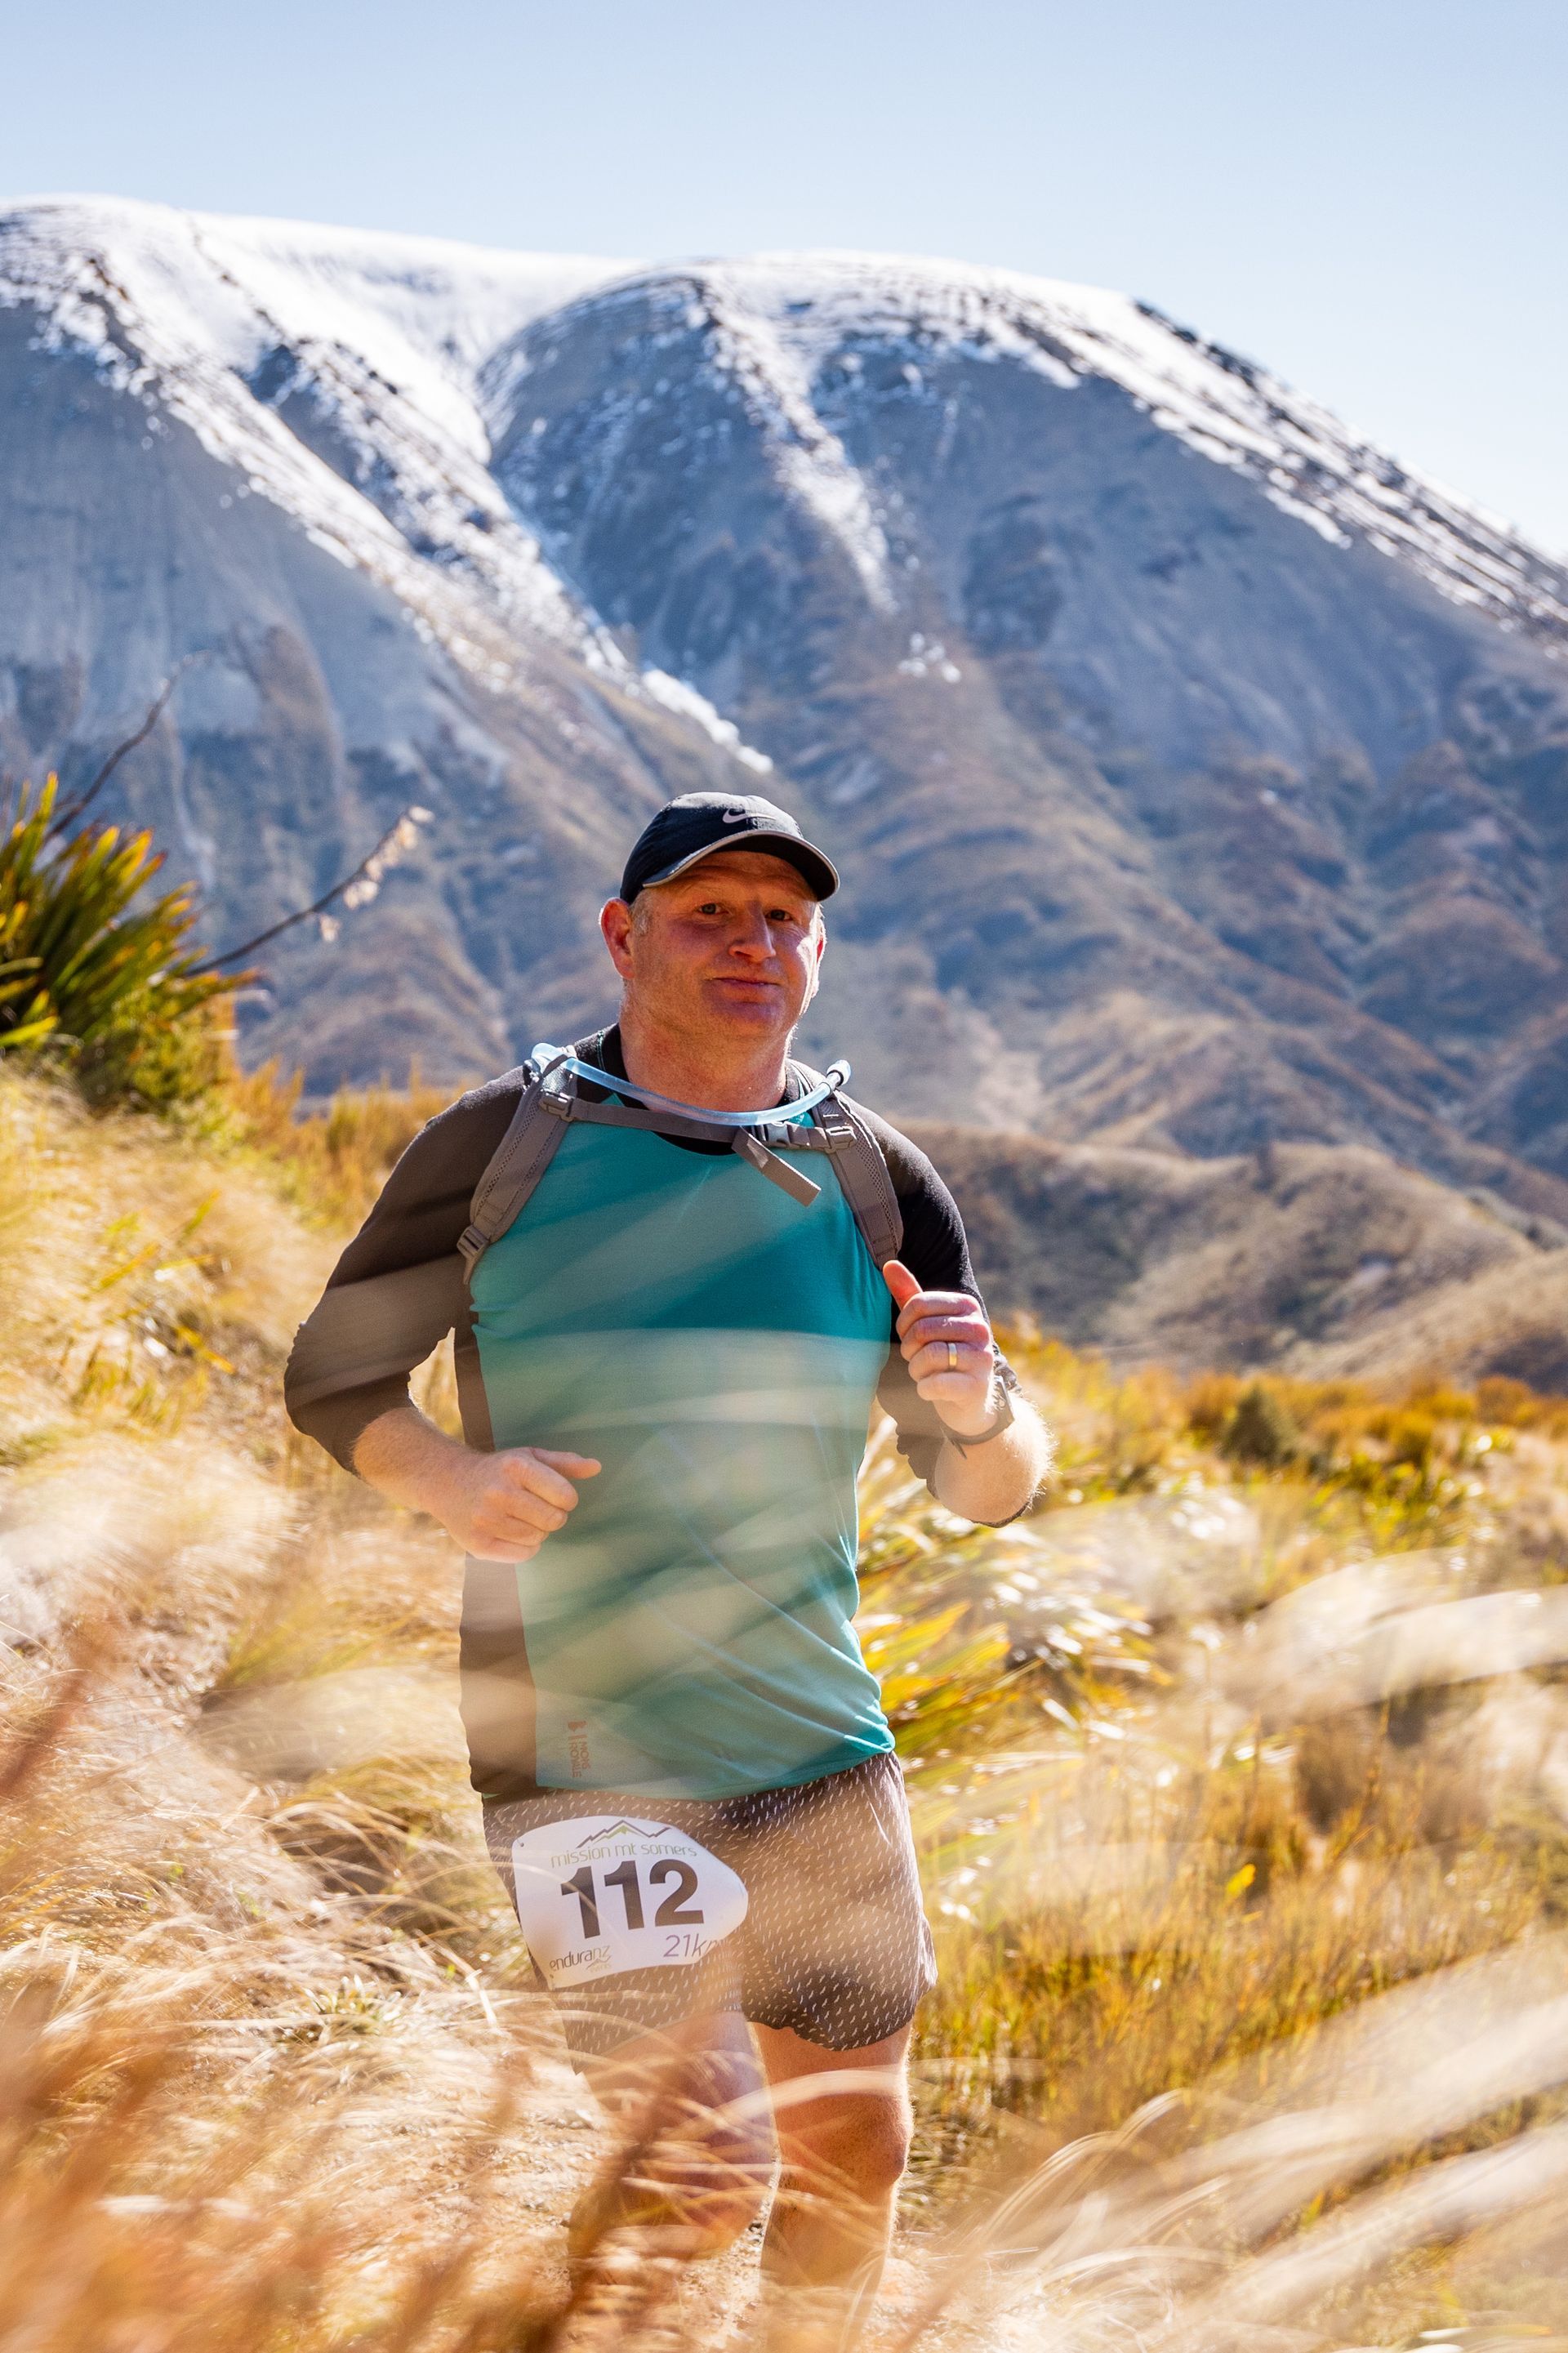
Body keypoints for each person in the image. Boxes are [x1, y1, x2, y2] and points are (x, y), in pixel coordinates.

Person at [285, 791, 1054, 2347]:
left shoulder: (877, 1179)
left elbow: (989, 1490)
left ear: (819, 951)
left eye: (781, 917)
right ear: (624, 936)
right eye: (709, 912)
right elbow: (331, 1376)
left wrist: (984, 1406)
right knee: (702, 2161)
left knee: (856, 2150)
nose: (751, 942)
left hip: (817, 1738)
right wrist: (452, 1478)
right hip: (577, 1734)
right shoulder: (506, 1144)